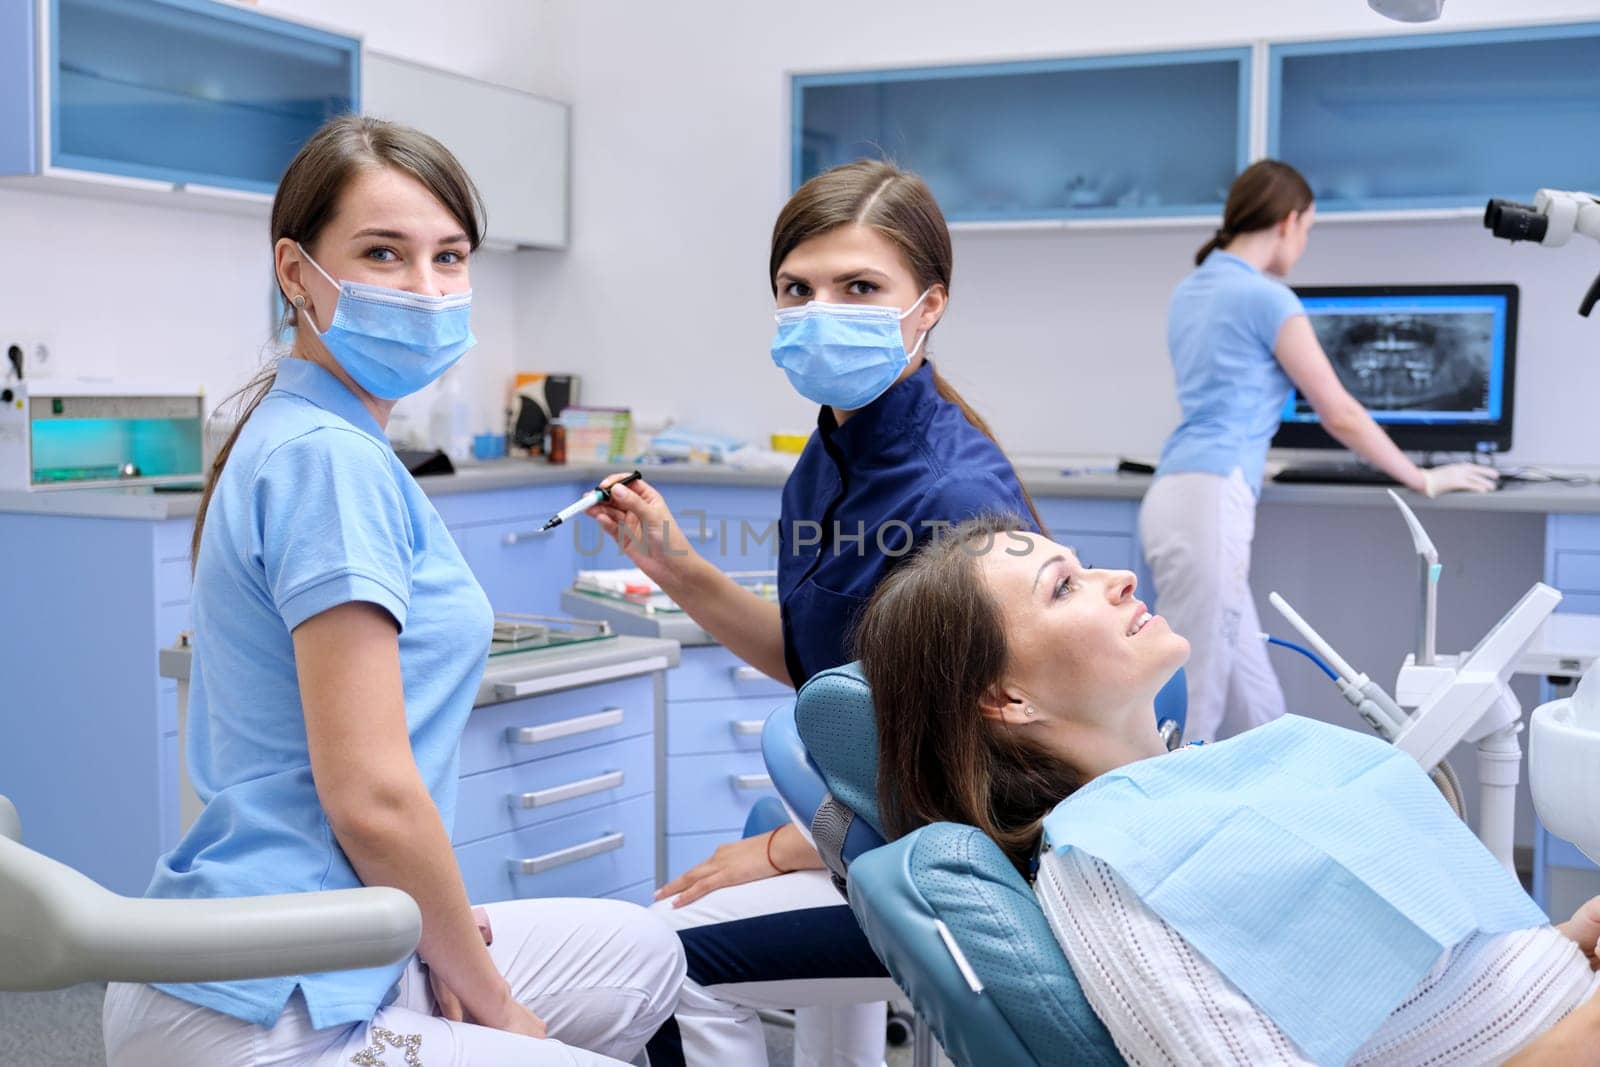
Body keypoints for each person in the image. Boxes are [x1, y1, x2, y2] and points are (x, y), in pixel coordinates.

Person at [100, 116, 684, 1066]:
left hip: (313, 929)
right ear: (295, 272)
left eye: (448, 257)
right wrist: (498, 1005)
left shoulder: (311, 432)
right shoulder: (328, 460)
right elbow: (370, 796)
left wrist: (432, 928)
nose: (426, 289)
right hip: (274, 994)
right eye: (383, 253)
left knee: (650, 955)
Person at [586, 159, 1042, 1067]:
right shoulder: (831, 456)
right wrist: (669, 559)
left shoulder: (951, 494)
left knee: (647, 962)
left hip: (956, 870)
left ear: (931, 303)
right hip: (875, 834)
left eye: (859, 286)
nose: (821, 309)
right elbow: (814, 664)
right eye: (798, 289)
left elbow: (980, 770)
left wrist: (795, 845)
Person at [856, 515, 1600, 1066]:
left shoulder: (1210, 779)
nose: (1117, 577)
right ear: (1007, 697)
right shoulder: (1103, 868)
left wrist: (1564, 947)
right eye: (1064, 587)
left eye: (1080, 565)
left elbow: (1402, 986)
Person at [1140, 159, 1500, 742]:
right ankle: (1159, 824)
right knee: (1197, 692)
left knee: (1251, 682)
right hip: (1212, 498)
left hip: (1175, 491)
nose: (1303, 243)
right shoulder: (1268, 298)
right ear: (1288, 221)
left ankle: (1291, 786)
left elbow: (1224, 396)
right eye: (1308, 229)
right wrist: (1423, 478)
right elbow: (1340, 412)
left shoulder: (1192, 289)